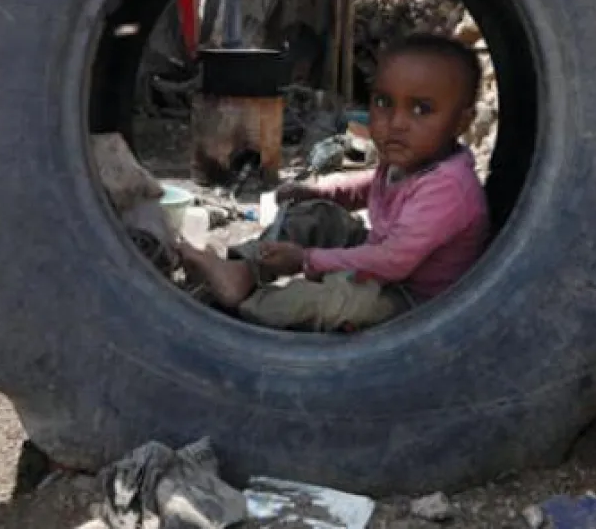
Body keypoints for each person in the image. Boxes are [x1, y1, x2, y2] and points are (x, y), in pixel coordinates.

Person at [178, 34, 490, 331]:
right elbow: (373, 186)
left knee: (323, 301)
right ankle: (244, 270)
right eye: (383, 102)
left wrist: (306, 260)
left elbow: (393, 260)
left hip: (412, 301)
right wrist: (315, 191)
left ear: (462, 122)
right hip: (380, 260)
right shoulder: (412, 158)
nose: (395, 123)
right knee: (317, 214)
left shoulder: (449, 188)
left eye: (421, 109)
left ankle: (250, 305)